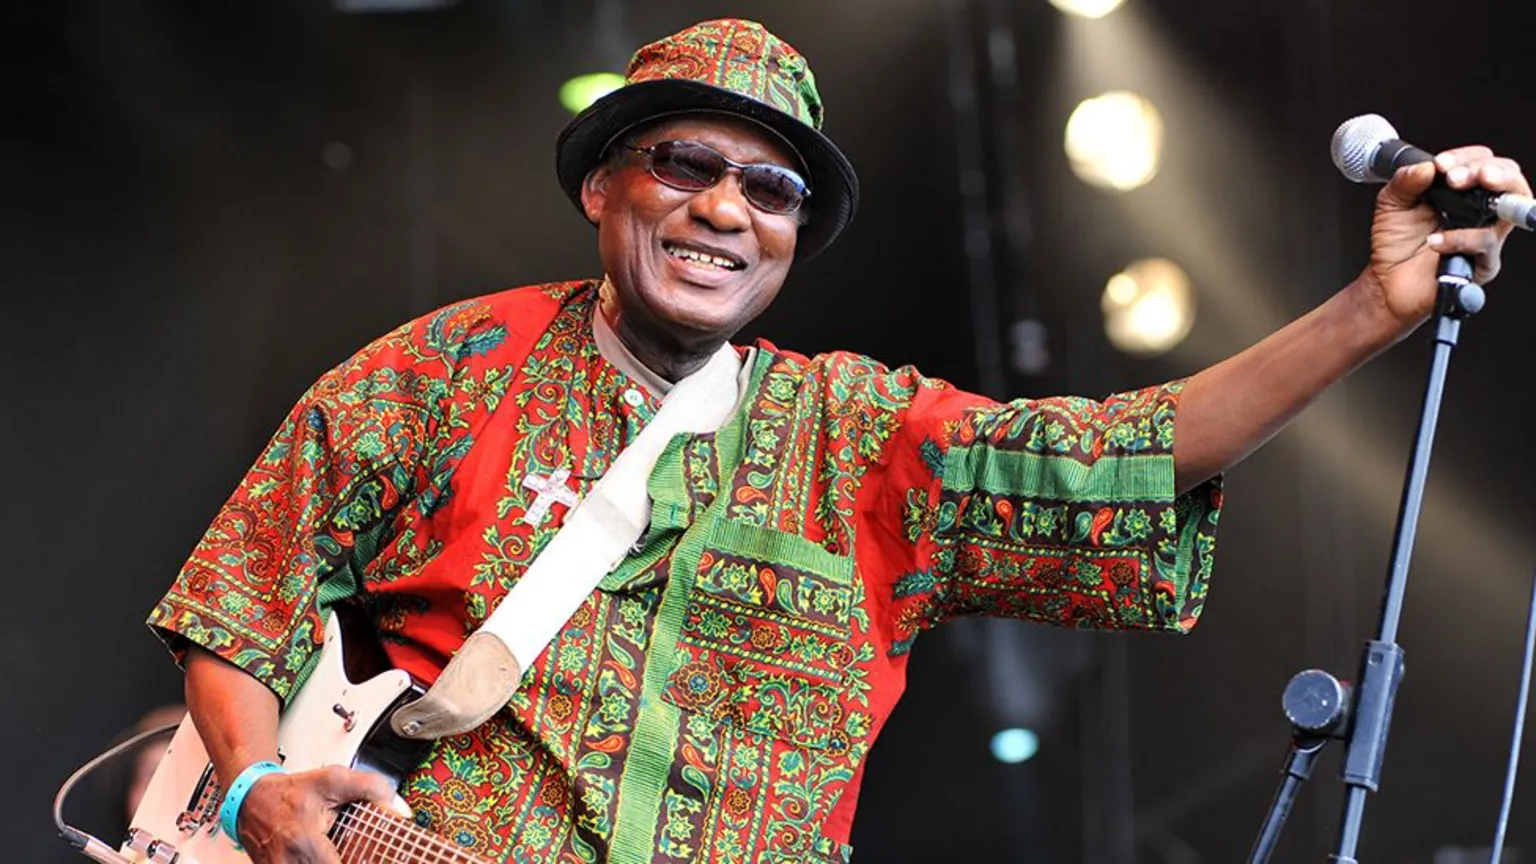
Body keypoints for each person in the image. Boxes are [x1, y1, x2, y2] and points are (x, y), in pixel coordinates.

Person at [144, 17, 1529, 864]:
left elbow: (1120, 456)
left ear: (794, 236)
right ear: (603, 187)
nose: (725, 210)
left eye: (771, 189)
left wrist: (1373, 307)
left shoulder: (860, 435)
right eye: (684, 164)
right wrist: (256, 784)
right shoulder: (453, 365)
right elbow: (240, 595)